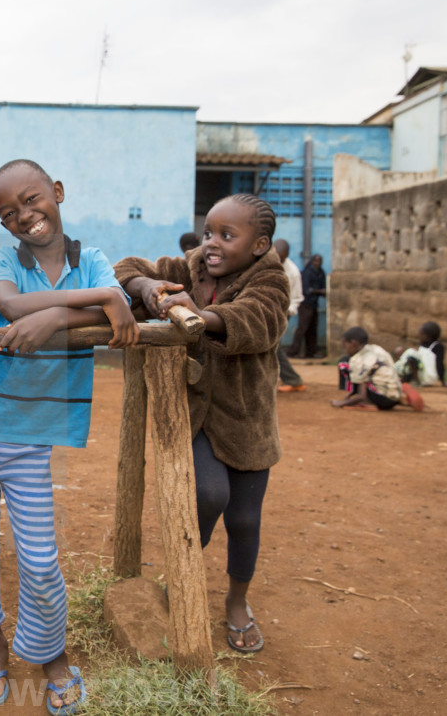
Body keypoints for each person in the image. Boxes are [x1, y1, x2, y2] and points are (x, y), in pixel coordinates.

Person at [0, 159, 136, 714]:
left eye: (32, 199)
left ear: (58, 192)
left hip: (29, 435)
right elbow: (12, 306)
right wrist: (80, 307)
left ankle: (52, 656)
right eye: (9, 211)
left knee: (40, 558)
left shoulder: (91, 259)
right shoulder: (3, 257)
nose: (25, 215)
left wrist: (72, 310)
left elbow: (113, 305)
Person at [114, 193, 289, 654]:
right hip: (196, 416)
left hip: (247, 421)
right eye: (209, 231)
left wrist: (199, 317)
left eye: (227, 236)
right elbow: (126, 267)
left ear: (258, 245)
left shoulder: (271, 279)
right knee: (209, 493)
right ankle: (185, 572)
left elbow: (259, 321)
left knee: (246, 520)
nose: (212, 243)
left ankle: (236, 601)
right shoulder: (193, 266)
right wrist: (148, 288)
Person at [332, 326, 424, 411]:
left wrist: (341, 403)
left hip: (382, 400)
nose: (346, 348)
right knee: (369, 376)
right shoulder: (376, 349)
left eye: (345, 344)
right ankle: (399, 397)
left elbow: (361, 396)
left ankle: (369, 402)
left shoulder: (358, 360)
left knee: (343, 363)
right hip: (394, 397)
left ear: (353, 343)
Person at [274, 239, 305, 392]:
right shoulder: (261, 262)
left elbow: (297, 298)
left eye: (282, 257)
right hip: (263, 310)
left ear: (287, 255)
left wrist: (286, 313)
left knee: (274, 346)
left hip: (282, 314)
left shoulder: (292, 272)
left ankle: (293, 380)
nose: (279, 259)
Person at [287, 253, 325, 358]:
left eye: (320, 261)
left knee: (312, 329)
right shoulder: (307, 273)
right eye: (316, 261)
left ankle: (311, 352)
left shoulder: (320, 272)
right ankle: (292, 352)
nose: (318, 263)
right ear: (312, 261)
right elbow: (306, 290)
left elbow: (323, 287)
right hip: (305, 304)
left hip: (314, 304)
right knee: (302, 328)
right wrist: (320, 291)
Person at [395, 321, 447, 387]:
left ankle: (415, 380)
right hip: (421, 375)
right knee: (404, 353)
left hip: (428, 378)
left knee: (411, 352)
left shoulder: (437, 346)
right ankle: (402, 377)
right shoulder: (423, 346)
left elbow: (440, 364)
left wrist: (442, 381)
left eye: (421, 334)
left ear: (427, 336)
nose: (418, 336)